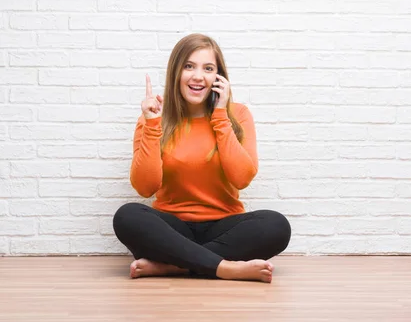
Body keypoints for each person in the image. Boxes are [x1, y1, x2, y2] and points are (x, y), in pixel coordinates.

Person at [112, 33, 291, 283]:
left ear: (218, 77)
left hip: (224, 227)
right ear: (176, 73)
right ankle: (225, 268)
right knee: (127, 216)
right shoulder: (152, 119)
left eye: (208, 68)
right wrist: (153, 125)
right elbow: (144, 187)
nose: (198, 76)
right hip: (172, 229)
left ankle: (174, 267)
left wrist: (220, 116)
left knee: (277, 225)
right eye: (189, 66)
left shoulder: (237, 114)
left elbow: (242, 179)